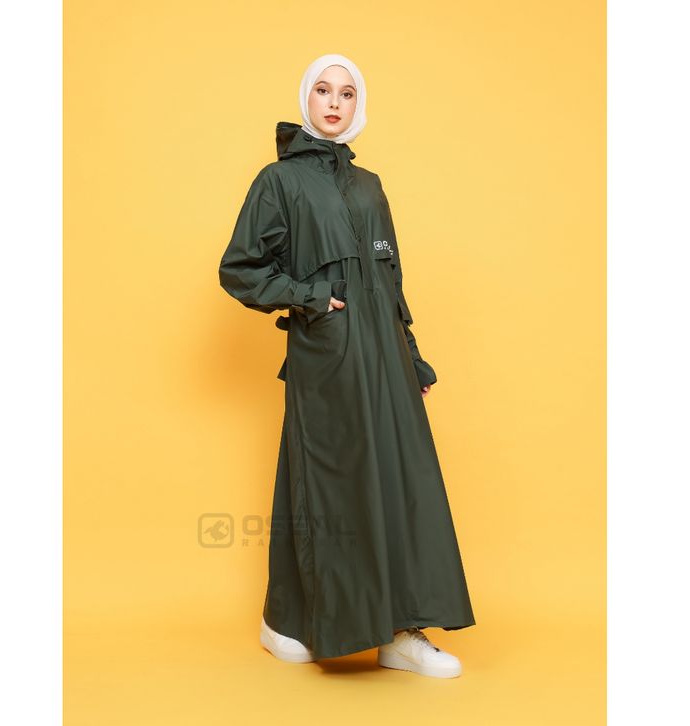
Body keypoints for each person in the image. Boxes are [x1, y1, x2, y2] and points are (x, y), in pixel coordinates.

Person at [218, 53, 475, 678]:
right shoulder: (279, 182)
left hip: (385, 357)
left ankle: (399, 631)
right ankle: (297, 621)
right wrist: (310, 298)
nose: (335, 102)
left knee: (398, 482)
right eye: (324, 90)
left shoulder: (369, 185)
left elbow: (391, 280)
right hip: (326, 355)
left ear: (359, 106)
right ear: (306, 98)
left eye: (348, 93)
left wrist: (411, 358)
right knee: (330, 487)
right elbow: (240, 268)